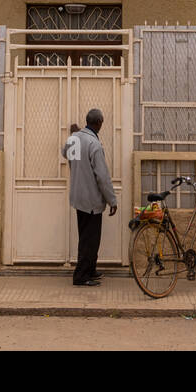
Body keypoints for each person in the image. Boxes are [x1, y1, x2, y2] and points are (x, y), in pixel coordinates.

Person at [61, 109, 118, 286]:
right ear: (99, 122)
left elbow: (66, 154)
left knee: (89, 237)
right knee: (89, 239)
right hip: (91, 200)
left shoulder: (75, 139)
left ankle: (90, 270)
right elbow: (102, 176)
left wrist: (73, 135)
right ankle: (81, 276)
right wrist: (112, 200)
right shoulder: (94, 144)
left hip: (79, 197)